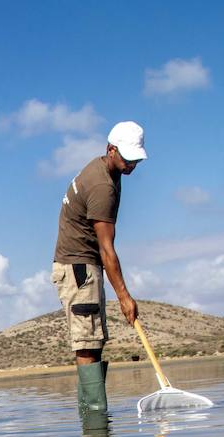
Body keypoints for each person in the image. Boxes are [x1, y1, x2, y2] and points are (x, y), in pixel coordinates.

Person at [52, 120, 148, 415]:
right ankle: (94, 422)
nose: (131, 164)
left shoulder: (106, 169)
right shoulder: (101, 185)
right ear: (111, 149)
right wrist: (125, 297)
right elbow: (107, 249)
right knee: (86, 344)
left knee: (93, 343)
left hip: (84, 265)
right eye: (126, 158)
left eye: (135, 158)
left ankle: (95, 417)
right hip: (79, 266)